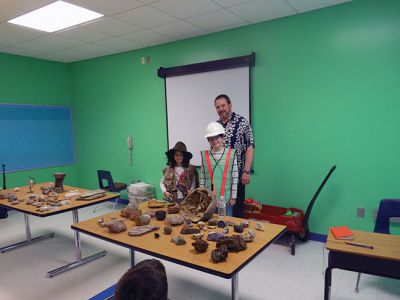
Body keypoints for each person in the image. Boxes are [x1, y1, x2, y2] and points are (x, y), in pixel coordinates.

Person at [214, 94, 255, 218]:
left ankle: (236, 236)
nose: (221, 109)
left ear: (230, 105)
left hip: (236, 175)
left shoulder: (242, 122)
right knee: (219, 210)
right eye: (217, 107)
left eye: (223, 105)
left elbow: (250, 146)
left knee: (236, 210)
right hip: (219, 175)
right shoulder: (216, 126)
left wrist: (246, 171)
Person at [200, 122, 238, 216]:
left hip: (227, 198)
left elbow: (235, 176)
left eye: (217, 137)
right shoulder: (205, 156)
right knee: (211, 222)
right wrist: (202, 195)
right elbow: (202, 177)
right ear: (208, 140)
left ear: (222, 137)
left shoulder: (231, 154)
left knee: (226, 223)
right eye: (211, 139)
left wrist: (233, 197)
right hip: (209, 198)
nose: (215, 141)